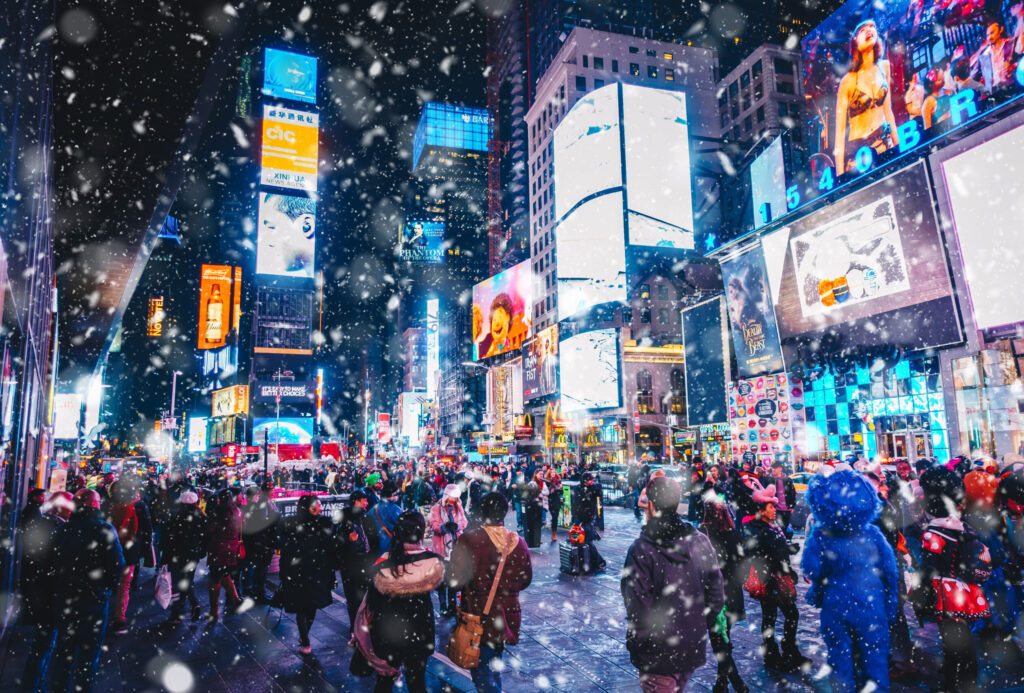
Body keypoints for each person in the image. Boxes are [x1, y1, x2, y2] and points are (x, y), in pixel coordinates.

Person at [622, 477, 725, 693]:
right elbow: (715, 595)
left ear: (650, 504)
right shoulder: (700, 541)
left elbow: (638, 607)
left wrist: (639, 647)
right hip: (690, 645)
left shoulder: (641, 549)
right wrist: (696, 624)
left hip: (658, 652)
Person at [802, 470, 900, 693]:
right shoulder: (873, 533)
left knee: (840, 657)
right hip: (871, 602)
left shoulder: (821, 534)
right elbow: (890, 570)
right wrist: (891, 600)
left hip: (836, 603)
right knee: (875, 655)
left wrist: (822, 583)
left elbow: (811, 568)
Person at [912, 466, 992, 692]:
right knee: (963, 640)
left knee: (951, 643)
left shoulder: (933, 534)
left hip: (947, 594)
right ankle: (968, 678)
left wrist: (919, 594)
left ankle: (952, 683)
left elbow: (929, 569)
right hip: (966, 590)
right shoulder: (964, 528)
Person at [449, 492, 532, 693]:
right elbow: (525, 579)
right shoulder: (517, 542)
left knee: (481, 671)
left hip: (480, 614)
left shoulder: (470, 540)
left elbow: (454, 579)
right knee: (493, 664)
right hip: (508, 613)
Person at [48, 489, 125, 693]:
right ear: (93, 504)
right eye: (98, 501)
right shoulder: (104, 530)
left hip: (66, 599)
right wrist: (104, 588)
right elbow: (117, 565)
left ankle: (58, 688)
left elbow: (49, 563)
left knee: (63, 653)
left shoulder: (62, 530)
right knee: (88, 656)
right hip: (93, 600)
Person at [367, 511, 444, 693]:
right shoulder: (433, 562)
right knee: (417, 683)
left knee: (384, 683)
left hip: (388, 631)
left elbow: (373, 601)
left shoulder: (382, 565)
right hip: (420, 631)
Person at [742, 484, 809, 672]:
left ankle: (780, 654)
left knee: (774, 616)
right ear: (761, 510)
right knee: (784, 615)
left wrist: (788, 550)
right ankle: (779, 654)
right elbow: (756, 556)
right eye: (770, 507)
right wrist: (768, 579)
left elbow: (776, 548)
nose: (774, 509)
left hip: (779, 575)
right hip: (769, 578)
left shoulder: (771, 525)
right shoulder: (755, 528)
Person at [19, 490, 72, 693]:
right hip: (48, 596)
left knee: (42, 644)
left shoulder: (42, 524)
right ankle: (32, 685)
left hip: (39, 594)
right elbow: (54, 565)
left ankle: (33, 684)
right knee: (44, 646)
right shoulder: (56, 528)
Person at [834, 19, 899, 172]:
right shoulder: (847, 81)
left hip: (884, 144)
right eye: (862, 30)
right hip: (859, 157)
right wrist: (840, 176)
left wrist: (900, 149)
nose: (869, 30)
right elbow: (839, 134)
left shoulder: (884, 67)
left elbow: (888, 112)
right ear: (855, 41)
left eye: (872, 27)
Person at [279, 494, 339, 655]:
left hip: (317, 571)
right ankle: (305, 640)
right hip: (300, 572)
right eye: (316, 506)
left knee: (311, 606)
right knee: (302, 607)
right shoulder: (292, 525)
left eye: (320, 505)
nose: (320, 508)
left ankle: (304, 635)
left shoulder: (324, 524)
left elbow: (330, 546)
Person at [701, 493, 749, 693]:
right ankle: (722, 684)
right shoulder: (733, 533)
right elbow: (743, 561)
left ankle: (735, 683)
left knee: (719, 640)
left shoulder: (702, 534)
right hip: (731, 590)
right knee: (724, 637)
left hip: (713, 592)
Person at [160, 490, 207, 624]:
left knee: (176, 583)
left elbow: (166, 537)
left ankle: (177, 613)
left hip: (175, 554)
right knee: (187, 580)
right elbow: (205, 536)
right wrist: (201, 550)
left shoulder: (174, 515)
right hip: (192, 554)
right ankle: (193, 604)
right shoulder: (201, 516)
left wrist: (164, 553)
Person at [205, 489, 246, 620]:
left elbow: (210, 529)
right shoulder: (238, 512)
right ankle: (236, 600)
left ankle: (214, 611)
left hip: (218, 549)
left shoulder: (217, 513)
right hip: (231, 549)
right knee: (225, 574)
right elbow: (242, 527)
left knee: (214, 579)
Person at [429, 484, 467, 617]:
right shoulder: (436, 508)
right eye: (452, 497)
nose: (454, 500)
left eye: (456, 498)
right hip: (441, 549)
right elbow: (433, 525)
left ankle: (452, 605)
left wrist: (457, 526)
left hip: (455, 548)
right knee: (442, 580)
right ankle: (443, 605)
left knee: (453, 578)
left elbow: (464, 522)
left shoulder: (458, 506)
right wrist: (444, 527)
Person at [337, 489, 372, 632]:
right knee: (353, 597)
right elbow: (336, 541)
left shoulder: (366, 517)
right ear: (356, 501)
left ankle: (361, 625)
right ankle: (355, 626)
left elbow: (372, 539)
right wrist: (348, 540)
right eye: (364, 500)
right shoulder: (344, 519)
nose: (366, 503)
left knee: (363, 596)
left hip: (364, 562)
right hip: (350, 563)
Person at [242, 482, 279, 603]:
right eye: (272, 490)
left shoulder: (264, 501)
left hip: (262, 540)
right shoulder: (264, 502)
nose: (274, 492)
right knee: (261, 568)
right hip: (264, 540)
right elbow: (263, 522)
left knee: (260, 567)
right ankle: (260, 593)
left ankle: (257, 590)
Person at [574, 472, 607, 572]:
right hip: (581, 517)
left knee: (587, 541)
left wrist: (593, 486)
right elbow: (577, 503)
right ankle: (590, 561)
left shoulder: (592, 488)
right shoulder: (579, 488)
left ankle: (598, 561)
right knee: (579, 541)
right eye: (590, 480)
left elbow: (599, 493)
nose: (591, 481)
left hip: (588, 517)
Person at [369, 480, 403, 556]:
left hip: (376, 548)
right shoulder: (395, 509)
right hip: (391, 548)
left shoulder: (373, 509)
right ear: (393, 494)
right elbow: (402, 527)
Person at [770, 462, 796, 533]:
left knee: (784, 528)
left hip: (786, 509)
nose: (773, 470)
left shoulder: (787, 480)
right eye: (773, 468)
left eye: (776, 468)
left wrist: (792, 506)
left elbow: (792, 493)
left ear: (780, 469)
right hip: (776, 510)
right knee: (778, 529)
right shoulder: (770, 480)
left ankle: (783, 542)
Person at [546, 467, 563, 541]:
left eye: (554, 472)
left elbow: (561, 492)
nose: (553, 474)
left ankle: (554, 533)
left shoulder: (558, 481)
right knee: (554, 517)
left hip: (557, 500)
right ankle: (553, 531)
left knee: (555, 517)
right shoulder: (547, 481)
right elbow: (546, 492)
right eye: (551, 472)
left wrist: (560, 488)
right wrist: (550, 491)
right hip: (550, 501)